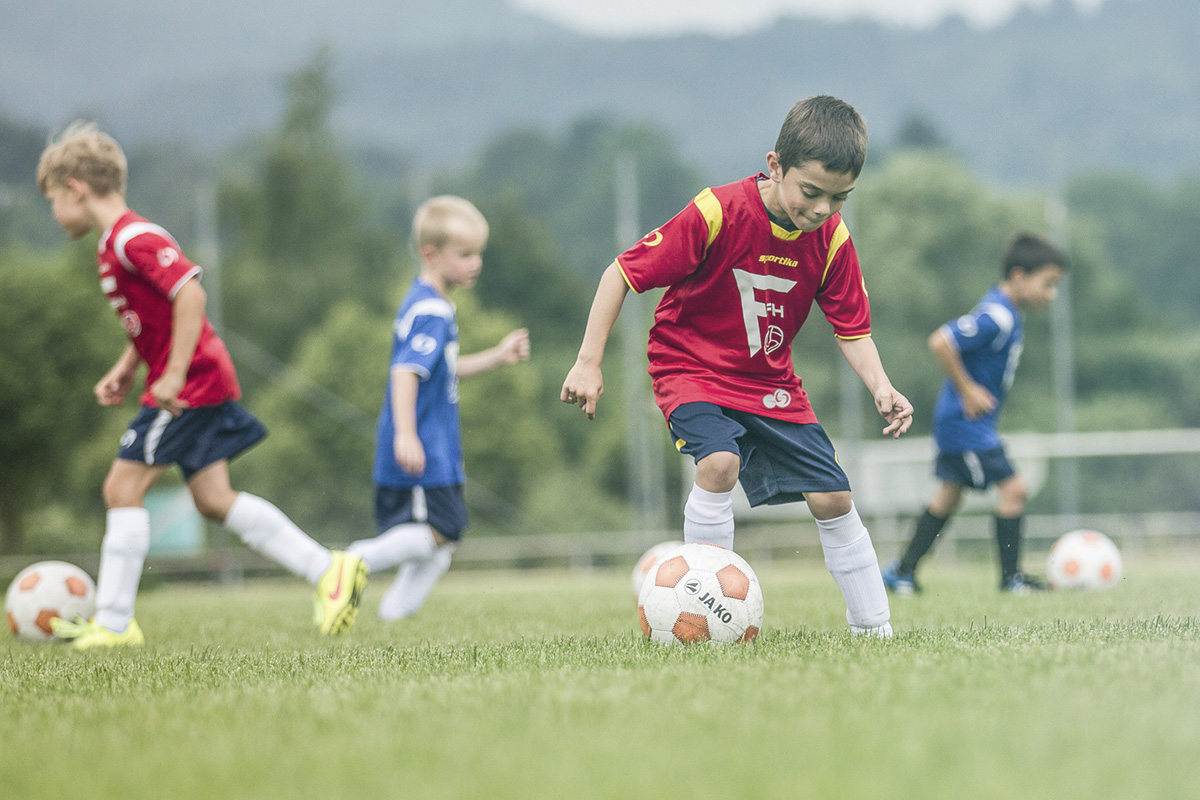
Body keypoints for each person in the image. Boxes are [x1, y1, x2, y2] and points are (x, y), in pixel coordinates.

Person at [561, 95, 912, 637]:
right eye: (811, 192)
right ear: (775, 166)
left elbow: (852, 328)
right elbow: (621, 274)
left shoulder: (833, 240)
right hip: (689, 367)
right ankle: (705, 622)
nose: (822, 209)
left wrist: (881, 386)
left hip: (769, 382)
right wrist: (588, 362)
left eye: (839, 198)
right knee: (719, 463)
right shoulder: (717, 211)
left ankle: (874, 630)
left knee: (834, 496)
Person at [37, 122, 368, 649]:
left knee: (120, 489)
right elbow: (153, 317)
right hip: (196, 379)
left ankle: (115, 623)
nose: (54, 213)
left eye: (53, 198)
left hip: (186, 385)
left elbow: (189, 294)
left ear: (75, 187)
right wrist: (129, 364)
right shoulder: (111, 246)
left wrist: (169, 373)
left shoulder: (132, 237)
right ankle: (328, 568)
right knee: (213, 498)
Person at [343, 196, 529, 620]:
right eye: (465, 254)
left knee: (442, 543)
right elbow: (405, 371)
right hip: (423, 445)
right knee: (445, 529)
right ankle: (356, 561)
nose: (475, 263)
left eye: (478, 253)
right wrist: (407, 434)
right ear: (431, 254)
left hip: (434, 444)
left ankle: (391, 618)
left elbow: (442, 370)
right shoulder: (430, 309)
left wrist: (497, 357)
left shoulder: (432, 303)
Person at [882, 233, 1068, 595]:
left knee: (948, 496)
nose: (1052, 294)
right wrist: (967, 389)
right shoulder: (997, 314)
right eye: (1048, 284)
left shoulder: (1007, 310)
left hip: (963, 424)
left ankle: (902, 571)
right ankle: (1011, 579)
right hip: (967, 426)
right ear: (1019, 276)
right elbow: (941, 340)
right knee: (1014, 488)